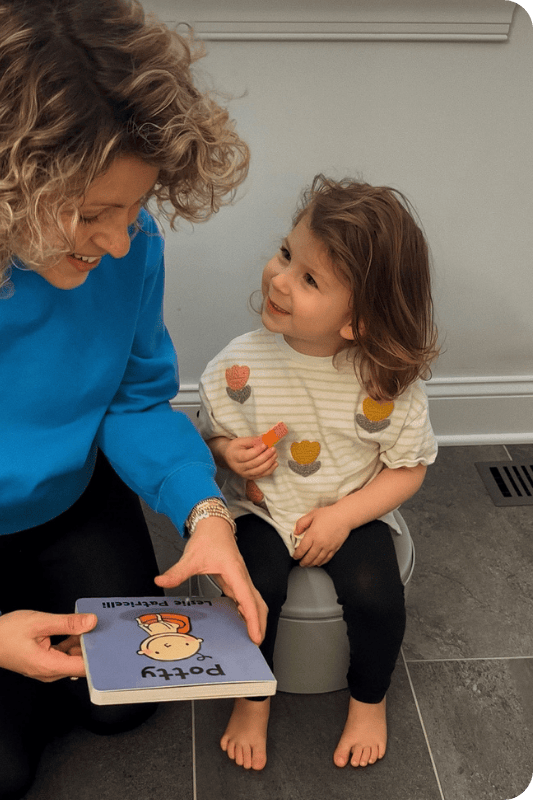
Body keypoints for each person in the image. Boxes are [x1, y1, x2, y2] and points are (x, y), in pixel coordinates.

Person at [0, 1, 268, 798]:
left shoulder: (130, 245)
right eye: (90, 214)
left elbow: (137, 400)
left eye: (134, 207)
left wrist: (205, 512)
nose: (120, 241)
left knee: (124, 708)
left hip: (73, 503)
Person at [198, 175, 440, 772]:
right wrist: (229, 452)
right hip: (262, 506)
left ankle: (369, 700)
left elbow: (408, 471)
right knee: (252, 594)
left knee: (378, 598)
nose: (280, 279)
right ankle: (253, 699)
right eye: (286, 253)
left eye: (309, 279)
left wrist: (343, 516)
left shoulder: (384, 385)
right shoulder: (241, 361)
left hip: (348, 508)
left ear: (358, 321)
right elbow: (211, 432)